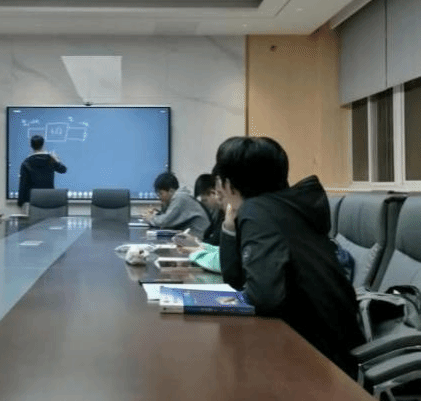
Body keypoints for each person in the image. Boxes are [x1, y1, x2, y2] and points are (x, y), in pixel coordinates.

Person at [215, 136, 364, 377]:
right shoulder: (282, 207)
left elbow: (264, 297)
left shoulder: (258, 212)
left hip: (314, 360)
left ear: (230, 184)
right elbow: (236, 279)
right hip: (330, 346)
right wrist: (230, 225)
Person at [143, 172, 210, 239]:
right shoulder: (179, 197)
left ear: (171, 191)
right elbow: (168, 217)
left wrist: (150, 218)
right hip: (191, 235)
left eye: (161, 193)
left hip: (199, 237)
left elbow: (164, 222)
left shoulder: (180, 197)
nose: (159, 197)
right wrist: (158, 212)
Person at [17, 135, 67, 207]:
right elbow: (63, 170)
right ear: (43, 145)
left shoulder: (26, 162)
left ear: (31, 146)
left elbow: (23, 184)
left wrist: (20, 202)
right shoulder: (51, 159)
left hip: (32, 201)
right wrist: (57, 160)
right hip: (49, 199)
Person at [194, 172, 225, 246]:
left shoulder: (224, 213)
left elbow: (215, 241)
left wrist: (195, 242)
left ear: (213, 193)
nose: (204, 205)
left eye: (205, 200)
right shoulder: (217, 213)